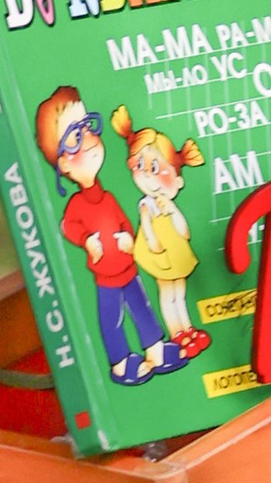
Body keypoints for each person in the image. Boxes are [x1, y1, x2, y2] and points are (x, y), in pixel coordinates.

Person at [33, 85, 166, 387]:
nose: (90, 140)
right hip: (106, 277)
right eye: (75, 137)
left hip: (128, 270)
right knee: (112, 321)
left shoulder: (106, 197)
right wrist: (86, 241)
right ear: (64, 164)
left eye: (88, 127)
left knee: (142, 309)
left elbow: (122, 221)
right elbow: (69, 226)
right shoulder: (77, 204)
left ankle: (156, 351)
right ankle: (121, 364)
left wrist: (128, 238)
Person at [112, 104, 208, 357]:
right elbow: (147, 228)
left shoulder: (168, 202)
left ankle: (188, 328)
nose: (147, 178)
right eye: (139, 167)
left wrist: (173, 211)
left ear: (178, 180)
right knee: (167, 291)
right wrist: (154, 245)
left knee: (180, 290)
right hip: (158, 252)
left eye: (155, 169)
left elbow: (184, 232)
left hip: (175, 249)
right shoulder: (146, 204)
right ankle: (177, 333)